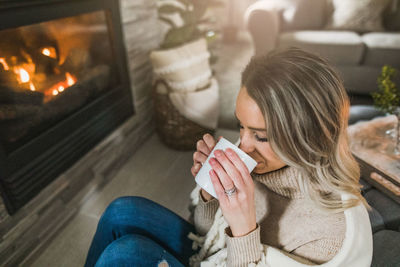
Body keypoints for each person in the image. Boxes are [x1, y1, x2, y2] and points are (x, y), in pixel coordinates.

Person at [84, 48, 372, 267]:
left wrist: (244, 226)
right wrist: (211, 195)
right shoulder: (261, 155)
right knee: (121, 211)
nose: (243, 144)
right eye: (240, 126)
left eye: (260, 135)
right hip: (214, 257)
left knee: (127, 253)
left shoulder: (328, 233)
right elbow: (206, 239)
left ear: (309, 135)